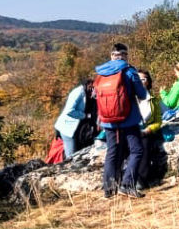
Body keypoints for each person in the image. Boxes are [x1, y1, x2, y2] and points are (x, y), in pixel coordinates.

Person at [95, 44, 150, 199]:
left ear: (112, 55)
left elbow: (95, 95)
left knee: (112, 152)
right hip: (128, 118)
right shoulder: (129, 71)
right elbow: (142, 94)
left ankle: (108, 189)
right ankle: (127, 185)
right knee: (137, 150)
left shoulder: (101, 72)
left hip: (108, 121)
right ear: (125, 55)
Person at [52, 78, 96, 161]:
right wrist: (85, 116)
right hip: (68, 129)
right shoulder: (78, 92)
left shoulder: (90, 94)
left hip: (79, 131)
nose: (93, 89)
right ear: (88, 84)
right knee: (71, 156)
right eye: (92, 86)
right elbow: (69, 111)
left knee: (78, 155)